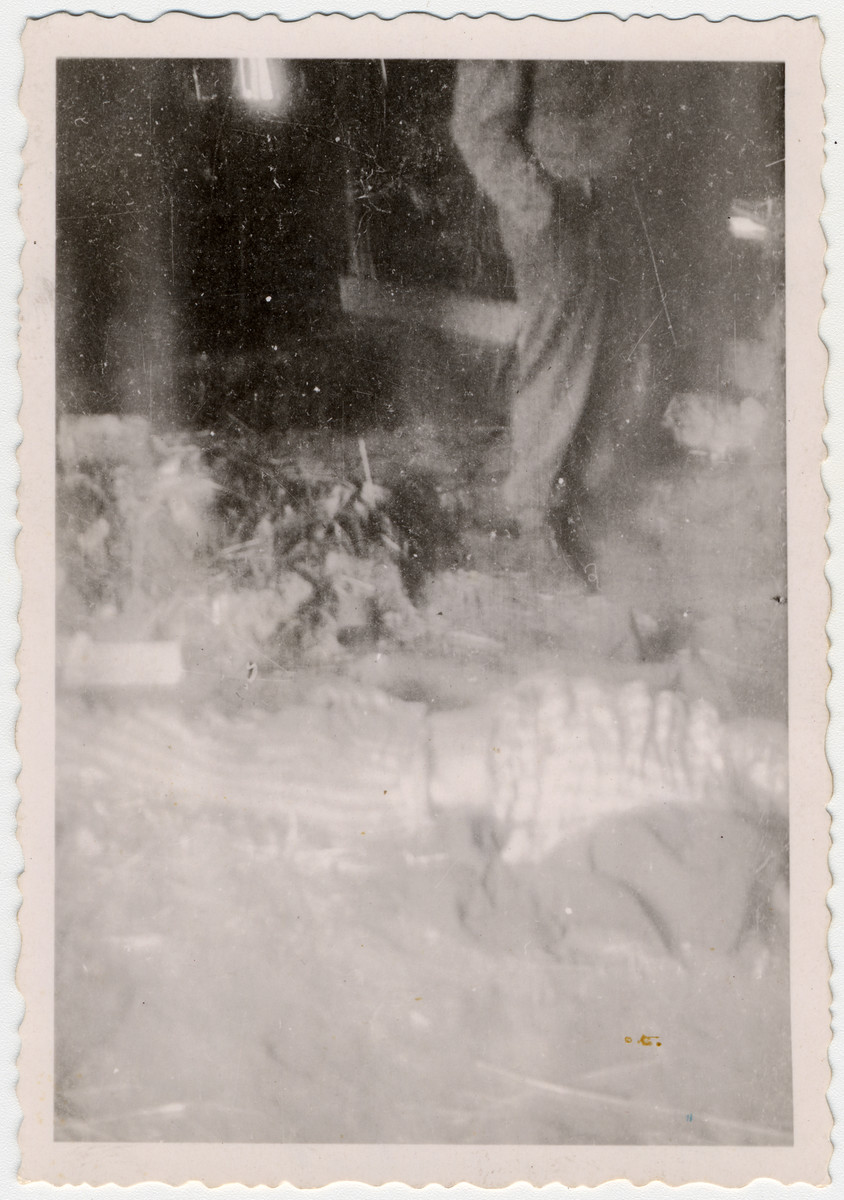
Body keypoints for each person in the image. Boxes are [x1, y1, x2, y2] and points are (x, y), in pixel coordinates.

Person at [450, 60, 647, 584]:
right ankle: (531, 514)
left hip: (610, 202)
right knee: (557, 361)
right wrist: (540, 207)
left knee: (610, 357)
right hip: (551, 208)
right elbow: (476, 124)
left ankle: (582, 502)